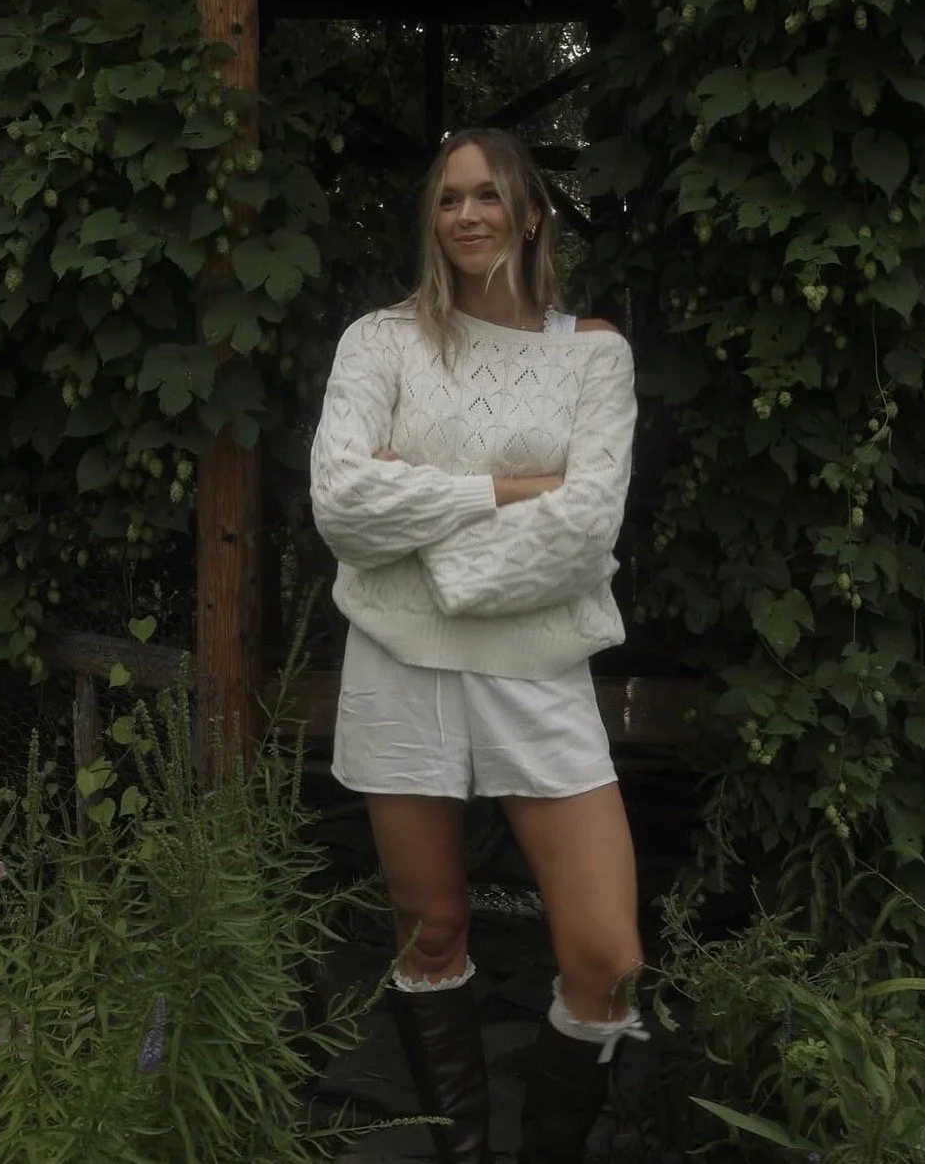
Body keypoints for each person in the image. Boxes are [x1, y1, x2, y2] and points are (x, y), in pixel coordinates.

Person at [309, 127, 645, 1164]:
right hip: (396, 670)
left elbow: (586, 528)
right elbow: (340, 501)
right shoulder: (379, 342)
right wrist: (507, 489)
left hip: (538, 674)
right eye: (448, 198)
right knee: (431, 931)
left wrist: (432, 553)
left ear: (531, 212)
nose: (465, 216)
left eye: (487, 195)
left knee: (606, 960)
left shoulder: (592, 353)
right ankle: (462, 1151)